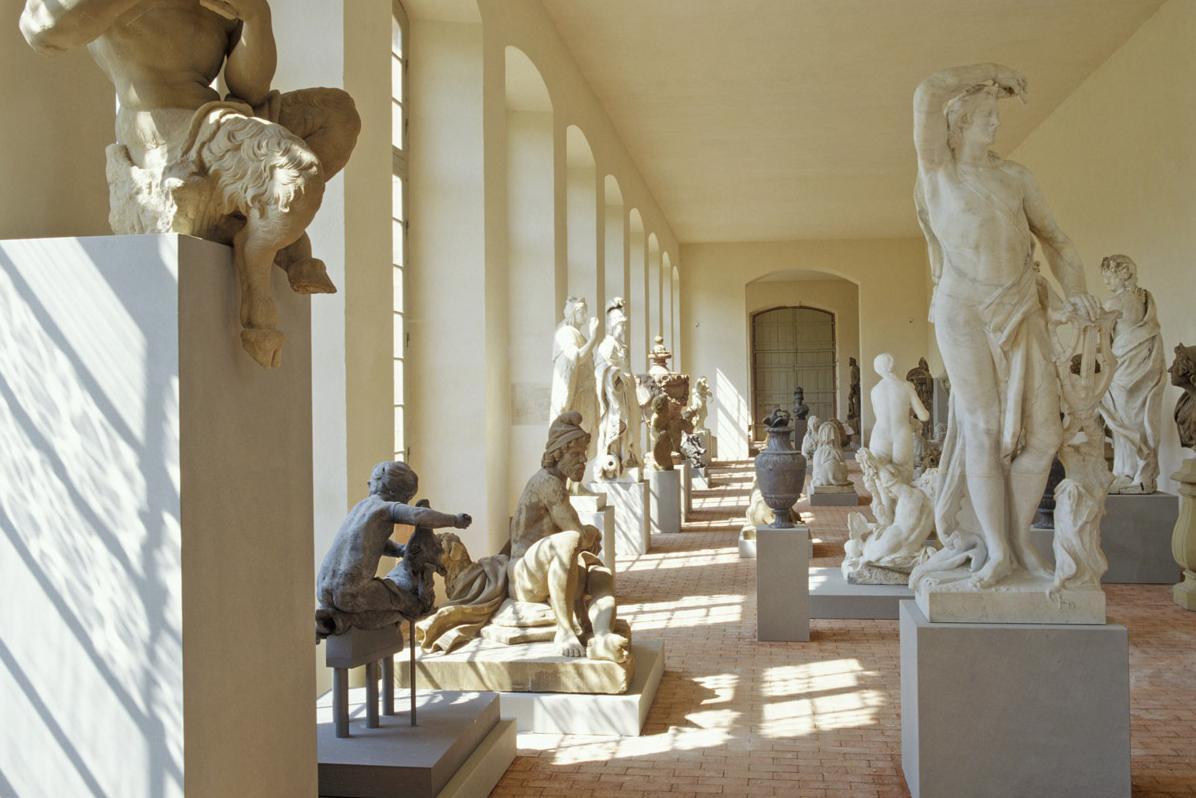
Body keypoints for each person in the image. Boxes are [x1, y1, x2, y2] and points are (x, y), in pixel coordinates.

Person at [20, 0, 361, 368]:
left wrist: (255, 16)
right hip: (166, 133)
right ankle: (257, 267)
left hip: (222, 117)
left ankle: (257, 224)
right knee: (297, 170)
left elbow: (249, 92)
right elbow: (43, 31)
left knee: (337, 114)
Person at [913, 63, 1100, 587]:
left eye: (996, 117)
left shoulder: (1016, 179)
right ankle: (996, 552)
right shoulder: (937, 173)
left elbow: (1058, 242)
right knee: (984, 427)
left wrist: (1076, 290)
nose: (995, 125)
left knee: (1042, 434)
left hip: (1021, 306)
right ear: (958, 124)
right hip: (964, 310)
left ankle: (1018, 543)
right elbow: (928, 92)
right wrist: (990, 73)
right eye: (985, 118)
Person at [508, 412, 627, 661]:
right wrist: (592, 533)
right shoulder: (547, 483)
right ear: (557, 455)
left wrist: (588, 536)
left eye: (584, 454)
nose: (583, 460)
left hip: (548, 567)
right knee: (570, 541)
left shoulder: (559, 484)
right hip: (525, 575)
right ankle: (564, 630)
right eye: (575, 455)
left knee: (600, 576)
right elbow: (577, 535)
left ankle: (602, 635)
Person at [316, 461, 471, 636]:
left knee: (387, 598)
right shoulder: (386, 507)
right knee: (413, 606)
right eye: (407, 498)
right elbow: (419, 515)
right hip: (351, 589)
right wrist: (454, 520)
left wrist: (399, 550)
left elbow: (371, 544)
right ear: (397, 493)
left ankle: (329, 619)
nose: (406, 503)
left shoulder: (360, 508)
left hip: (322, 588)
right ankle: (344, 621)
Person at [1098, 255, 1165, 494]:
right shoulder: (1147, 298)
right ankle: (1127, 472)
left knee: (1124, 420)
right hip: (1144, 365)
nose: (1107, 282)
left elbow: (1103, 340)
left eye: (1109, 276)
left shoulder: (1112, 303)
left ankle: (1138, 476)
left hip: (1124, 367)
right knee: (1133, 420)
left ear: (1123, 273)